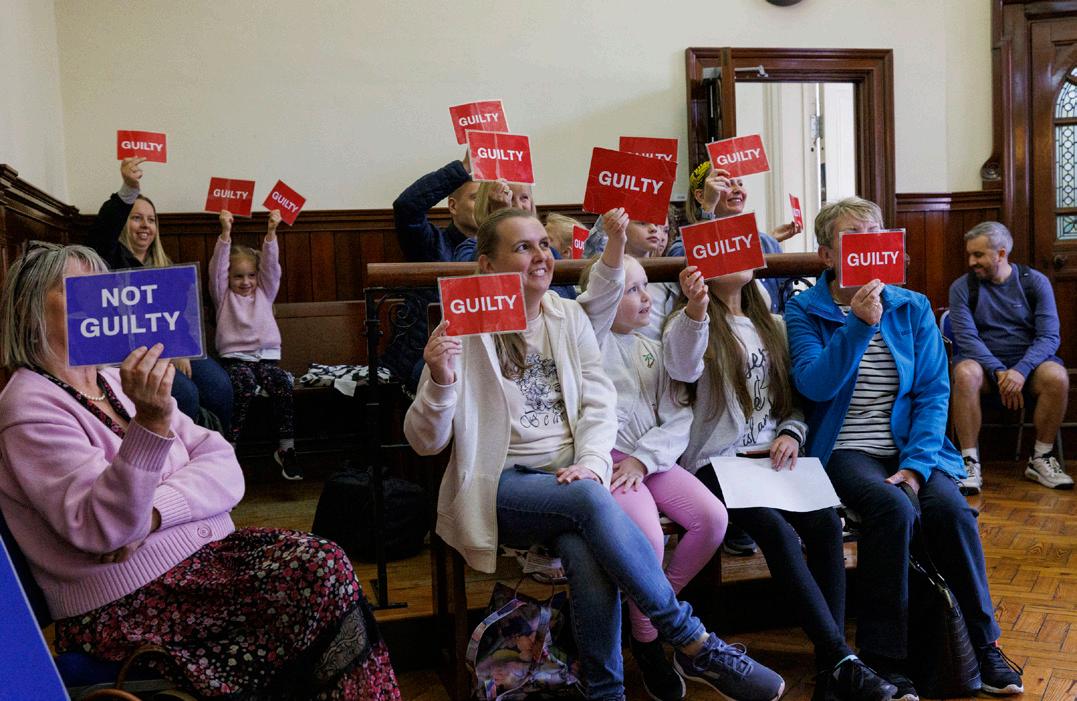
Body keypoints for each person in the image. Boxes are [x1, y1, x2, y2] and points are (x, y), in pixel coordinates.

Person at [405, 208, 785, 701]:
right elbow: (425, 441)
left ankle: (608, 693)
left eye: (544, 244)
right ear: (486, 266)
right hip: (501, 482)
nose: (541, 256)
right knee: (589, 500)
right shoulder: (467, 326)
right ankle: (693, 639)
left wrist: (591, 463)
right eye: (522, 247)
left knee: (586, 547)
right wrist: (440, 380)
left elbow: (598, 403)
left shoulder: (567, 317)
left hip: (572, 478)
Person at [0, 241, 400, 700]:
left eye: (100, 287)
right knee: (317, 572)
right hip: (125, 602)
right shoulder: (29, 405)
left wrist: (153, 514)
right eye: (76, 287)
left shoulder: (115, 381)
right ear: (29, 309)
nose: (95, 300)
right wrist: (151, 426)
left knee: (322, 567)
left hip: (194, 566)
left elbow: (223, 463)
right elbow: (106, 527)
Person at [785, 197, 1024, 700]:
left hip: (913, 448)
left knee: (951, 510)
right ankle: (884, 657)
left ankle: (983, 643)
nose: (869, 243)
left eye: (876, 233)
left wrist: (916, 466)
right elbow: (814, 385)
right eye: (854, 236)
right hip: (846, 447)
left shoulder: (911, 306)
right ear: (827, 255)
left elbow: (935, 393)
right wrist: (858, 324)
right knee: (891, 509)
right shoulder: (804, 309)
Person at [662, 264, 895, 701]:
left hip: (771, 457)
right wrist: (696, 309)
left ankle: (832, 668)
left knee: (826, 524)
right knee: (776, 531)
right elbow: (682, 368)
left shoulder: (773, 323)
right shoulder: (689, 320)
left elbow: (793, 401)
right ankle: (840, 659)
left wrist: (791, 432)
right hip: (718, 462)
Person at [577, 207, 728, 701]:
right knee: (649, 539)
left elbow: (679, 410)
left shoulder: (650, 343)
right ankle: (649, 642)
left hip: (648, 460)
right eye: (631, 290)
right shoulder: (588, 338)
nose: (645, 297)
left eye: (646, 287)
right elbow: (599, 295)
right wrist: (617, 245)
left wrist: (647, 458)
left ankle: (645, 619)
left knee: (712, 519)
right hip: (611, 460)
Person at [87, 157, 233, 434]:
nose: (145, 226)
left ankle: (221, 449)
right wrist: (128, 189)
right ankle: (181, 453)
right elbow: (103, 230)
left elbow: (179, 319)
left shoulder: (165, 267)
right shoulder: (108, 258)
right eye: (136, 218)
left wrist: (179, 349)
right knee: (185, 394)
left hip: (171, 349)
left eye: (151, 220)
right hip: (130, 354)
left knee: (219, 385)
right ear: (123, 223)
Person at [948, 221, 1072, 492]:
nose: (971, 262)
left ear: (1001, 254)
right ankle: (968, 462)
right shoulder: (962, 287)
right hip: (984, 368)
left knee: (1057, 377)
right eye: (969, 254)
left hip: (1028, 368)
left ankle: (1040, 458)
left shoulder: (1035, 282)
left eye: (978, 255)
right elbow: (967, 339)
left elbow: (1049, 337)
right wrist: (999, 371)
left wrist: (1020, 370)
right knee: (964, 373)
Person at [210, 209, 301, 480]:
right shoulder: (223, 296)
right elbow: (217, 269)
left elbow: (271, 268)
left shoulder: (265, 291)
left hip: (266, 359)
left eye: (251, 275)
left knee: (282, 383)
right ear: (229, 278)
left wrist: (271, 232)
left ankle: (286, 448)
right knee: (245, 385)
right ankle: (229, 448)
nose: (246, 282)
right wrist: (225, 232)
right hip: (235, 359)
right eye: (238, 276)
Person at [669, 162, 800, 314]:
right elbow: (689, 267)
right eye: (726, 183)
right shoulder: (681, 246)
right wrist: (708, 208)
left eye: (740, 183)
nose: (738, 190)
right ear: (700, 196)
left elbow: (786, 300)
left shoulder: (768, 243)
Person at [583, 212, 677, 341]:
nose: (654, 229)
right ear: (623, 225)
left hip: (654, 349)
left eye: (658, 225)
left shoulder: (667, 275)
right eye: (642, 223)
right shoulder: (608, 272)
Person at [392, 155, 479, 263]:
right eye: (477, 198)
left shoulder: (496, 245)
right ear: (453, 206)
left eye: (488, 199)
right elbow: (406, 206)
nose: (485, 205)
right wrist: (464, 167)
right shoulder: (433, 245)